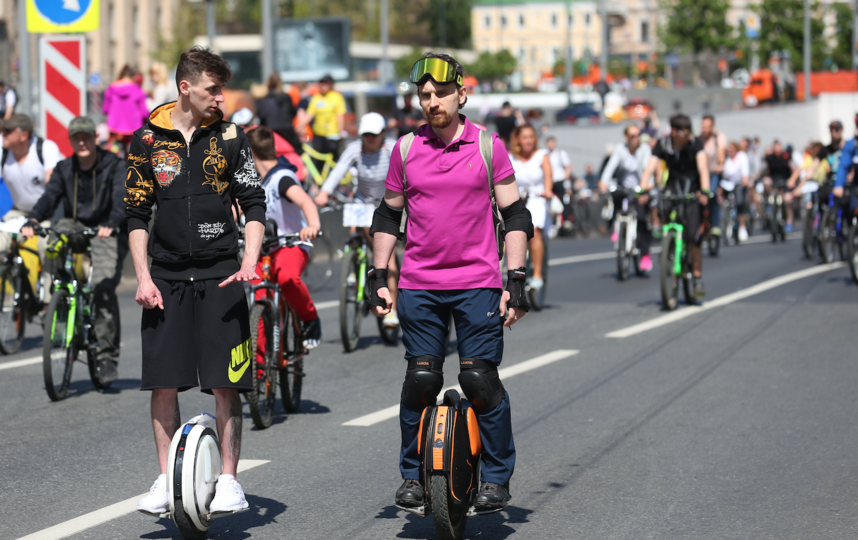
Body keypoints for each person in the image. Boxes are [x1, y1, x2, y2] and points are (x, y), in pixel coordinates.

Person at [370, 52, 533, 513]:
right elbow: (389, 214)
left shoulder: (488, 146)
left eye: (441, 93)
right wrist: (378, 274)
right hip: (420, 284)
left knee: (478, 379)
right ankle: (413, 477)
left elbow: (515, 214)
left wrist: (515, 278)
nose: (432, 101)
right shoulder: (405, 149)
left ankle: (496, 479)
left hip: (477, 282)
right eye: (425, 95)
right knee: (420, 379)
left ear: (461, 93)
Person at [130, 47, 267, 519]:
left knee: (228, 383)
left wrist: (249, 259)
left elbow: (253, 203)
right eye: (213, 89)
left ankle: (229, 479)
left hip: (221, 273)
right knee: (163, 384)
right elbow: (135, 214)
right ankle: (166, 478)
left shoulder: (231, 136)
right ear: (185, 88)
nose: (220, 98)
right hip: (165, 277)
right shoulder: (147, 139)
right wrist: (144, 276)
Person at [21, 117, 127, 384]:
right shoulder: (64, 168)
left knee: (103, 287)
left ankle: (106, 356)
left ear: (94, 138)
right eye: (76, 137)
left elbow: (120, 199)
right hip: (77, 227)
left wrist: (113, 223)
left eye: (86, 136)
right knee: (54, 238)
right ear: (70, 141)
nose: (81, 142)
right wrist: (33, 219)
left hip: (107, 230)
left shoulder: (114, 165)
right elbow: (49, 198)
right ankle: (60, 299)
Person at [314, 112, 402, 328]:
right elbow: (338, 171)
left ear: (382, 134)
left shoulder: (391, 149)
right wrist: (325, 192)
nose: (370, 138)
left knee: (388, 259)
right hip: (363, 202)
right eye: (366, 134)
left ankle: (392, 311)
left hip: (389, 205)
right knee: (356, 226)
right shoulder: (356, 149)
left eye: (374, 134)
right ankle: (354, 261)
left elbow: (409, 171)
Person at [245, 126, 322, 350]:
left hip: (291, 244)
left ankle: (310, 318)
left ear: (250, 153)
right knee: (256, 294)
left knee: (286, 277)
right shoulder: (256, 182)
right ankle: (260, 371)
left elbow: (305, 201)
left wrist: (313, 226)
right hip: (265, 249)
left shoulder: (281, 178)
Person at [640, 114, 711, 297]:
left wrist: (704, 190)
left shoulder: (695, 144)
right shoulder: (663, 144)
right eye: (684, 133)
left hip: (693, 188)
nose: (688, 136)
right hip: (673, 185)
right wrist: (642, 189)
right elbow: (649, 167)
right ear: (673, 132)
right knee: (663, 208)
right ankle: (668, 246)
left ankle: (697, 277)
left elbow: (703, 168)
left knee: (694, 235)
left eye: (689, 132)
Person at [0, 114, 62, 256]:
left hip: (47, 213)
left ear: (23, 135)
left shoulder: (46, 148)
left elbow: (52, 190)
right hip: (19, 211)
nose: (3, 134)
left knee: (46, 248)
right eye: (2, 130)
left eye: (7, 131)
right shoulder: (3, 151)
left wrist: (35, 218)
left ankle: (48, 278)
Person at [599, 124, 654, 271]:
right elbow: (611, 166)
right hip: (624, 186)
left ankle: (645, 255)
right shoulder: (620, 149)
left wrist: (648, 186)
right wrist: (604, 182)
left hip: (641, 187)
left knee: (642, 220)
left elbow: (648, 168)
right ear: (626, 138)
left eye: (638, 135)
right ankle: (616, 226)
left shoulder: (645, 149)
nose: (637, 139)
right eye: (633, 136)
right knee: (615, 196)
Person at [509, 123, 552, 288]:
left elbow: (549, 176)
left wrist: (547, 190)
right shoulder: (510, 157)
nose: (529, 141)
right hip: (516, 199)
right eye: (525, 137)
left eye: (531, 137)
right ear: (518, 139)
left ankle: (538, 274)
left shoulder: (542, 155)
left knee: (533, 231)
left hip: (537, 197)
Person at [299, 74, 347, 172]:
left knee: (334, 161)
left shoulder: (336, 97)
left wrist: (341, 131)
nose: (324, 85)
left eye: (326, 83)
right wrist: (298, 127)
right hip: (318, 135)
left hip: (332, 134)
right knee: (317, 161)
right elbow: (309, 115)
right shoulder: (316, 98)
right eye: (322, 83)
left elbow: (340, 115)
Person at [103, 65, 149, 156]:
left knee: (114, 158)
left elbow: (105, 109)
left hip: (115, 129)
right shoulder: (137, 89)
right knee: (134, 159)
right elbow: (144, 112)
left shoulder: (111, 89)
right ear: (132, 77)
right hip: (134, 130)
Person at [255, 72, 303, 153]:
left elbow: (261, 115)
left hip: (270, 131)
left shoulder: (264, 98)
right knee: (296, 152)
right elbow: (292, 112)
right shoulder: (286, 97)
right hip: (287, 131)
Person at [700, 115, 726, 239]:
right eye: (703, 126)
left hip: (713, 172)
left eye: (707, 126)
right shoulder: (698, 139)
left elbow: (721, 153)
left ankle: (715, 224)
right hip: (701, 173)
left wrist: (721, 164)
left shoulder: (718, 138)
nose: (704, 129)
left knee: (712, 194)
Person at [720, 141, 752, 241]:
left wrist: (745, 181)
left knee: (740, 204)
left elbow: (745, 173)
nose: (730, 152)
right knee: (724, 201)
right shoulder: (726, 158)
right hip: (727, 184)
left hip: (739, 183)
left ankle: (742, 227)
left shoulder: (742, 157)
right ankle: (726, 221)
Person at [762, 140, 796, 232]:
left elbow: (794, 168)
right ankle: (767, 203)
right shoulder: (769, 158)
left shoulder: (787, 157)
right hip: (773, 180)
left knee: (788, 200)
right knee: (765, 183)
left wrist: (792, 180)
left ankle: (789, 221)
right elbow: (763, 170)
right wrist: (764, 178)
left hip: (785, 181)